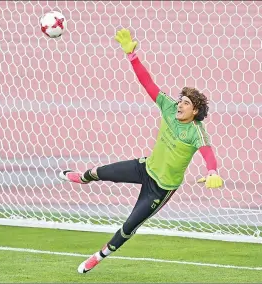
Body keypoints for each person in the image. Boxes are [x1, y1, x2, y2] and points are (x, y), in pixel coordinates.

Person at [58, 29, 224, 274]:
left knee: (129, 227)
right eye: (181, 99)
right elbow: (147, 82)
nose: (180, 104)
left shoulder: (197, 132)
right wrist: (132, 55)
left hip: (162, 188)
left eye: (186, 103)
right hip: (144, 167)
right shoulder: (168, 107)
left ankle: (98, 256)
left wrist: (212, 171)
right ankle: (82, 177)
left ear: (195, 112)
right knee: (99, 172)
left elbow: (208, 151)